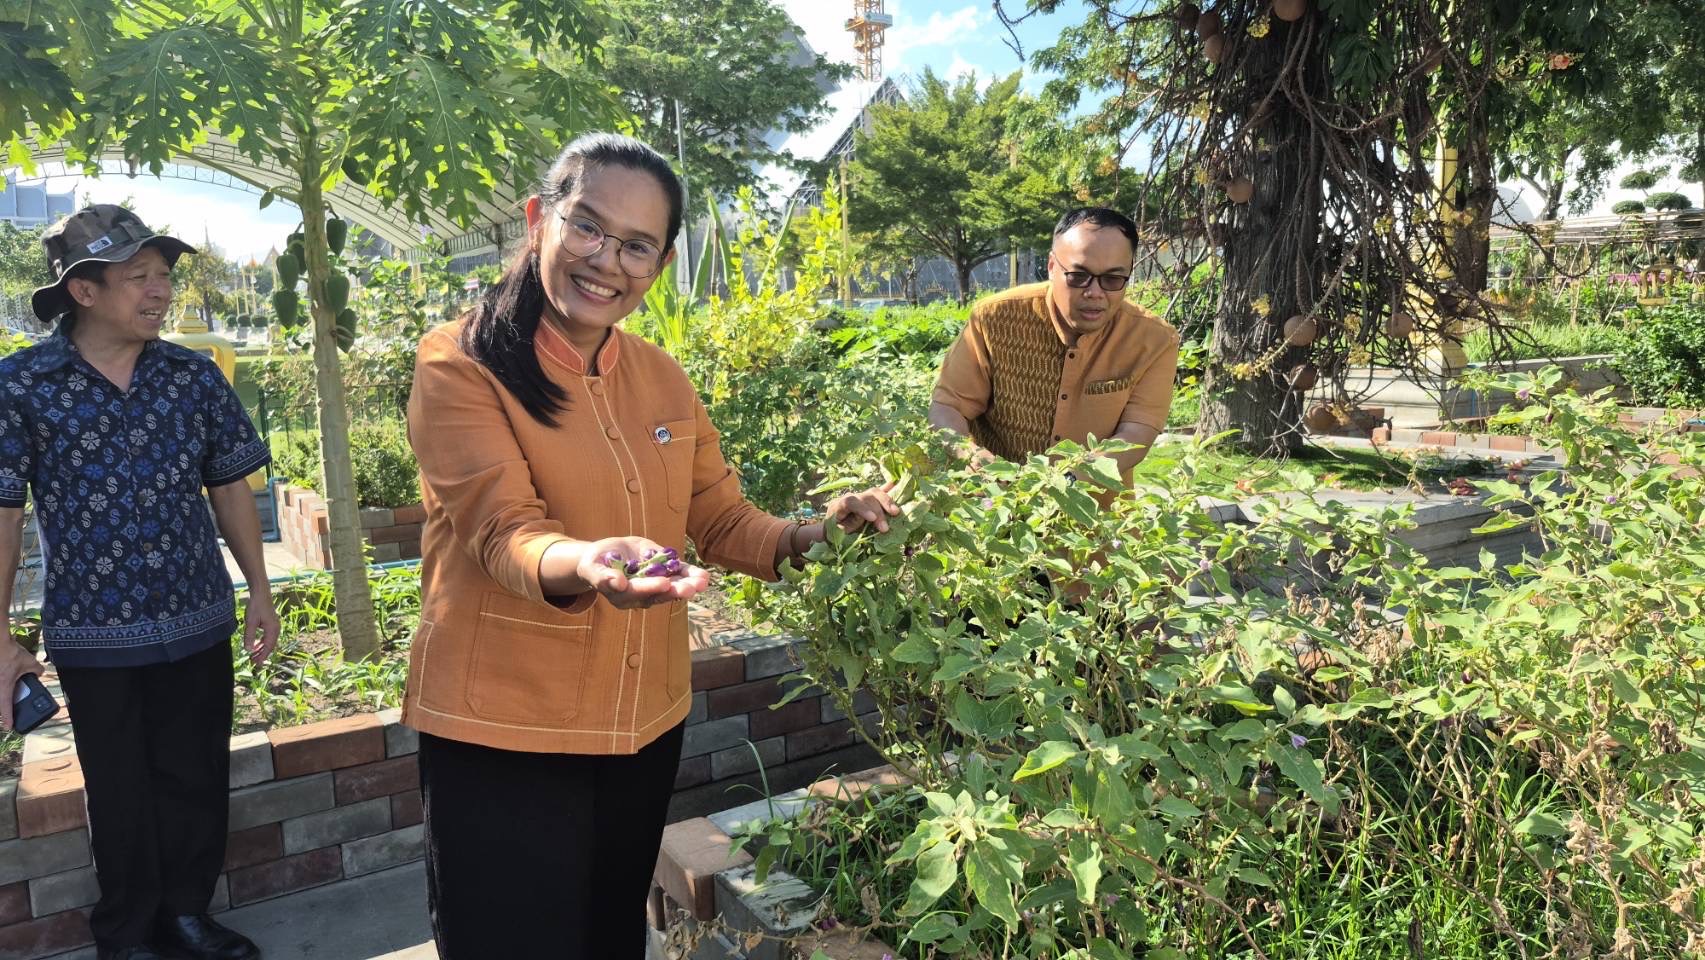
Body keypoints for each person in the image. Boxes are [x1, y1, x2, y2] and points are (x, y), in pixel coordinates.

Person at [402, 133, 900, 959]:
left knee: (605, 938)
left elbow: (724, 522)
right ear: (538, 220)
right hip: (504, 727)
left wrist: (823, 535)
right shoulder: (460, 363)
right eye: (588, 228)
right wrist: (588, 563)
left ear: (661, 263)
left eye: (637, 245)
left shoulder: (662, 377)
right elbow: (502, 531)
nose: (608, 261)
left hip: (638, 721)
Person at [0, 205, 279, 960]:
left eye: (163, 276)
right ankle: (128, 932)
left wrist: (258, 587)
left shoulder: (191, 376)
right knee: (119, 789)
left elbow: (229, 483)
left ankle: (188, 915)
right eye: (138, 278)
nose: (159, 292)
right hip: (94, 628)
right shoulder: (22, 385)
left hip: (196, 612)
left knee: (195, 774)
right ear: (83, 292)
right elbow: (4, 512)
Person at [929, 207, 1181, 478]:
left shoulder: (1154, 340)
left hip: (1095, 514)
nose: (1095, 292)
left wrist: (1066, 484)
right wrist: (976, 460)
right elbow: (948, 406)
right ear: (1051, 267)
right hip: (993, 507)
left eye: (1112, 279)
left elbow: (1137, 433)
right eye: (1078, 276)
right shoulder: (995, 319)